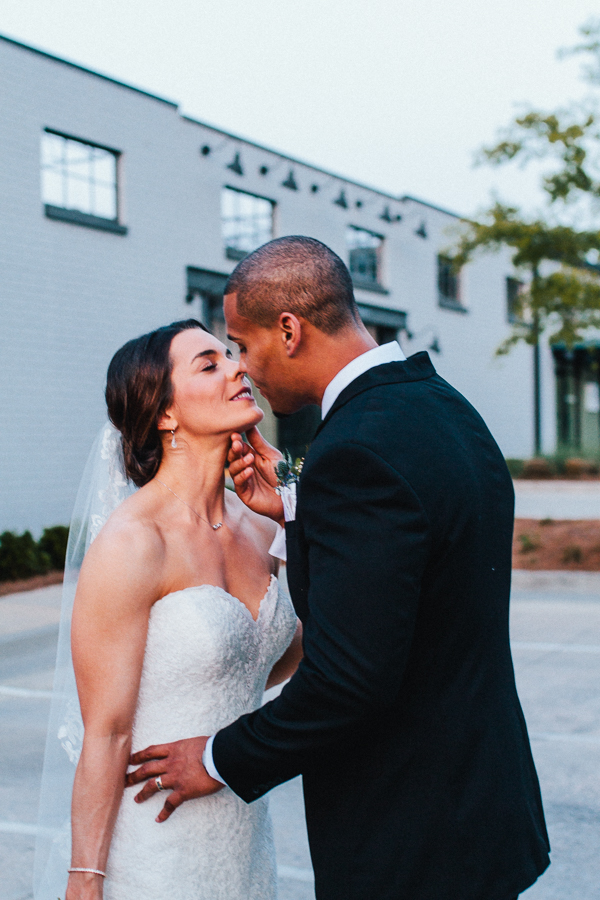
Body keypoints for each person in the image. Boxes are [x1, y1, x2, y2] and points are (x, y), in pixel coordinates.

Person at [128, 236, 551, 900]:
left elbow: (349, 680)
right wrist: (300, 503)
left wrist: (216, 758)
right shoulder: (442, 407)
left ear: (288, 330)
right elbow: (416, 556)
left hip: (411, 835)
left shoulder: (354, 452)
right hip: (483, 805)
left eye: (242, 345)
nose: (245, 369)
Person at [36, 318, 301, 900]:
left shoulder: (262, 525)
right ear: (165, 414)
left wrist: (291, 504)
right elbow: (106, 733)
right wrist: (85, 878)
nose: (237, 368)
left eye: (230, 355)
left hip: (242, 839)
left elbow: (281, 659)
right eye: (210, 364)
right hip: (154, 841)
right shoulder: (133, 543)